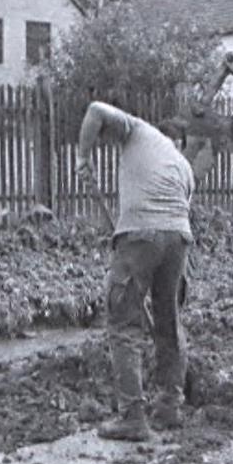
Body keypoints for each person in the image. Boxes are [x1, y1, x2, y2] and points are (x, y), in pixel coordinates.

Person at [77, 101, 203, 442]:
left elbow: (95, 110)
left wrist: (83, 157)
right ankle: (169, 406)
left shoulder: (138, 131)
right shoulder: (182, 166)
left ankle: (133, 417)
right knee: (168, 321)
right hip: (178, 239)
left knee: (123, 324)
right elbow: (177, 221)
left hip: (141, 235)